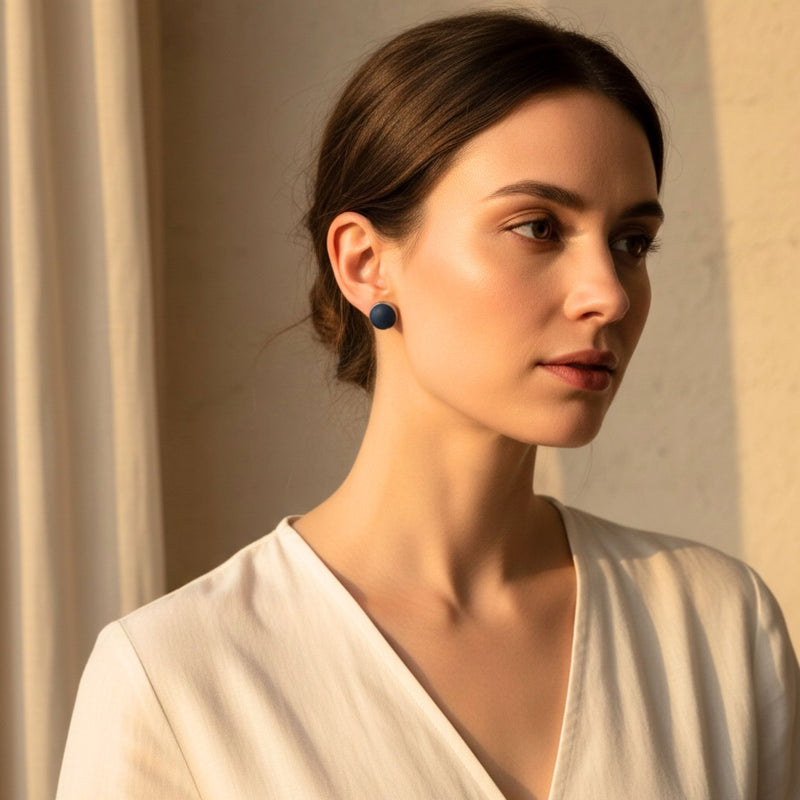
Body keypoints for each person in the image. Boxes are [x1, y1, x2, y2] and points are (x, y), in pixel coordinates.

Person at [57, 10, 799, 799]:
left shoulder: (715, 627)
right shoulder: (181, 677)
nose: (610, 295)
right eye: (538, 227)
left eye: (631, 242)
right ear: (367, 261)